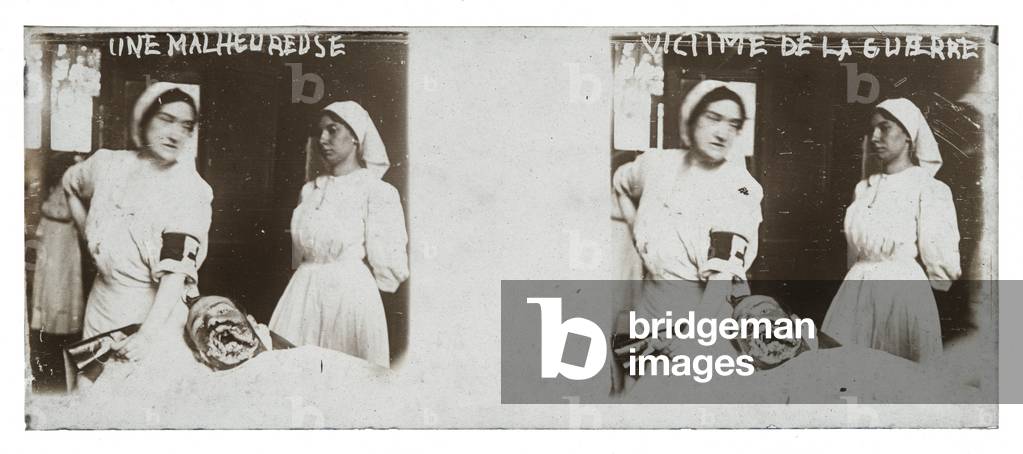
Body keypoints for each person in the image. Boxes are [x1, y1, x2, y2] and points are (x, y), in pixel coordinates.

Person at [63, 82, 212, 365]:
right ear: (143, 121)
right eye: (166, 120)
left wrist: (146, 335)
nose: (175, 134)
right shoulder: (107, 165)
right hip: (101, 309)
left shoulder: (189, 189)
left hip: (156, 320)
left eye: (186, 126)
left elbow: (175, 274)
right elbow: (70, 182)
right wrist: (88, 236)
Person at [269, 101, 409, 368]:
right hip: (302, 293)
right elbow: (300, 254)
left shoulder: (375, 190)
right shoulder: (310, 191)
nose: (323, 139)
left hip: (349, 297)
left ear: (355, 137)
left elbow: (389, 262)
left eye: (332, 130)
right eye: (320, 131)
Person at [822, 98, 961, 364]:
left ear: (908, 135)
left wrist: (937, 278)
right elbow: (854, 253)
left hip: (901, 292)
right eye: (872, 129)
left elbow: (941, 259)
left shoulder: (928, 187)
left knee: (898, 371)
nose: (875, 137)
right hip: (855, 291)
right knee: (849, 370)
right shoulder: (864, 189)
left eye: (884, 128)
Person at [614, 80, 763, 327]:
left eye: (733, 125)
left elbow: (721, 280)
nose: (722, 133)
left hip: (704, 317)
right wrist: (636, 233)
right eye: (713, 118)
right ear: (691, 119)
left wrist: (693, 339)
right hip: (649, 309)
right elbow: (621, 181)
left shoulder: (738, 188)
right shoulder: (657, 165)